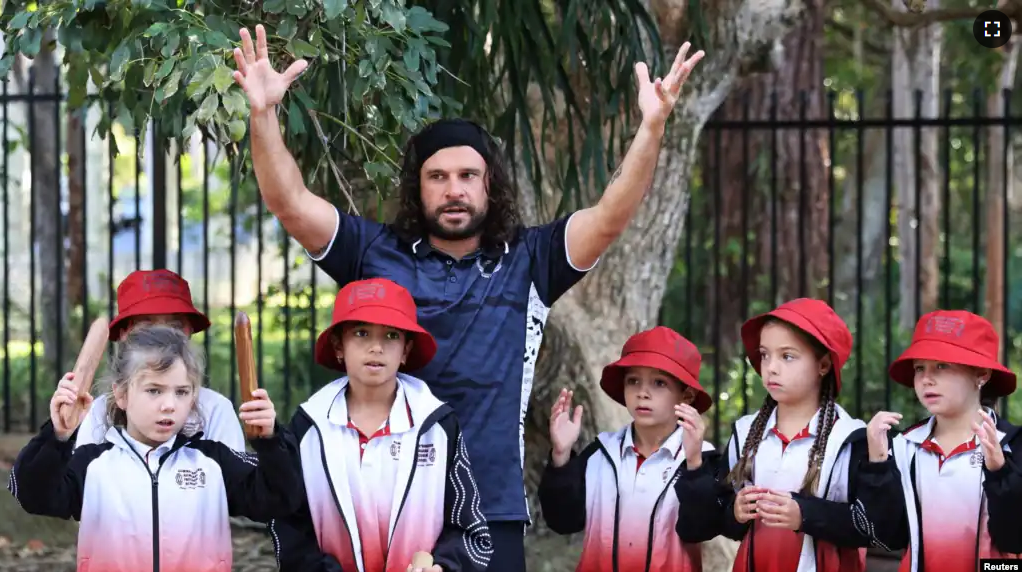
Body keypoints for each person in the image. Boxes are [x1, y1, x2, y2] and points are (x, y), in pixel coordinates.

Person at [230, 23, 704, 568]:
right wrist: (263, 116)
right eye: (437, 177)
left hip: (490, 506)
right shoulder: (374, 252)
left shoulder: (530, 259)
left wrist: (651, 127)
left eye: (467, 175)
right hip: (382, 502)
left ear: (488, 185)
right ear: (418, 186)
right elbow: (290, 203)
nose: (453, 189)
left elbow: (610, 215)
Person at [7, 326, 300, 572]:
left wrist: (271, 442)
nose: (169, 404)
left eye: (182, 392)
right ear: (121, 394)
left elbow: (280, 499)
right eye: (154, 390)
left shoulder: (213, 461)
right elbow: (32, 494)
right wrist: (57, 435)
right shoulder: (94, 465)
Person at [270, 278, 492, 572]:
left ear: (405, 351)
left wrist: (443, 567)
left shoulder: (436, 425)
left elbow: (470, 531)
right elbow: (289, 524)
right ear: (339, 346)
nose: (376, 347)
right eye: (361, 333)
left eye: (390, 336)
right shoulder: (310, 425)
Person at [676, 298, 888, 572]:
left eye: (787, 356)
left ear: (823, 365)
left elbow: (875, 527)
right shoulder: (746, 432)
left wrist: (805, 514)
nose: (771, 367)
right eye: (765, 354)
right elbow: (715, 521)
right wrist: (736, 512)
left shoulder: (851, 437)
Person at [538, 326, 717, 572]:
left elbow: (701, 528)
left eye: (659, 383)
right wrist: (561, 455)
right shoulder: (600, 453)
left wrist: (695, 464)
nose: (642, 393)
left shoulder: (702, 458)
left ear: (686, 396)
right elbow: (563, 521)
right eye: (633, 381)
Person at [856, 310, 1021, 572]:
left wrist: (1001, 473)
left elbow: (1014, 538)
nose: (926, 379)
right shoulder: (904, 447)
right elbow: (889, 536)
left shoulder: (1013, 444)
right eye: (919, 368)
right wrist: (878, 464)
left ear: (982, 374)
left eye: (942, 366)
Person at [74, 269, 245, 451]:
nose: (161, 336)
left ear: (189, 331)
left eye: (175, 325)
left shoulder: (216, 410)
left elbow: (238, 478)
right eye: (147, 325)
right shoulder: (99, 412)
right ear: (124, 334)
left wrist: (270, 443)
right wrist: (57, 437)